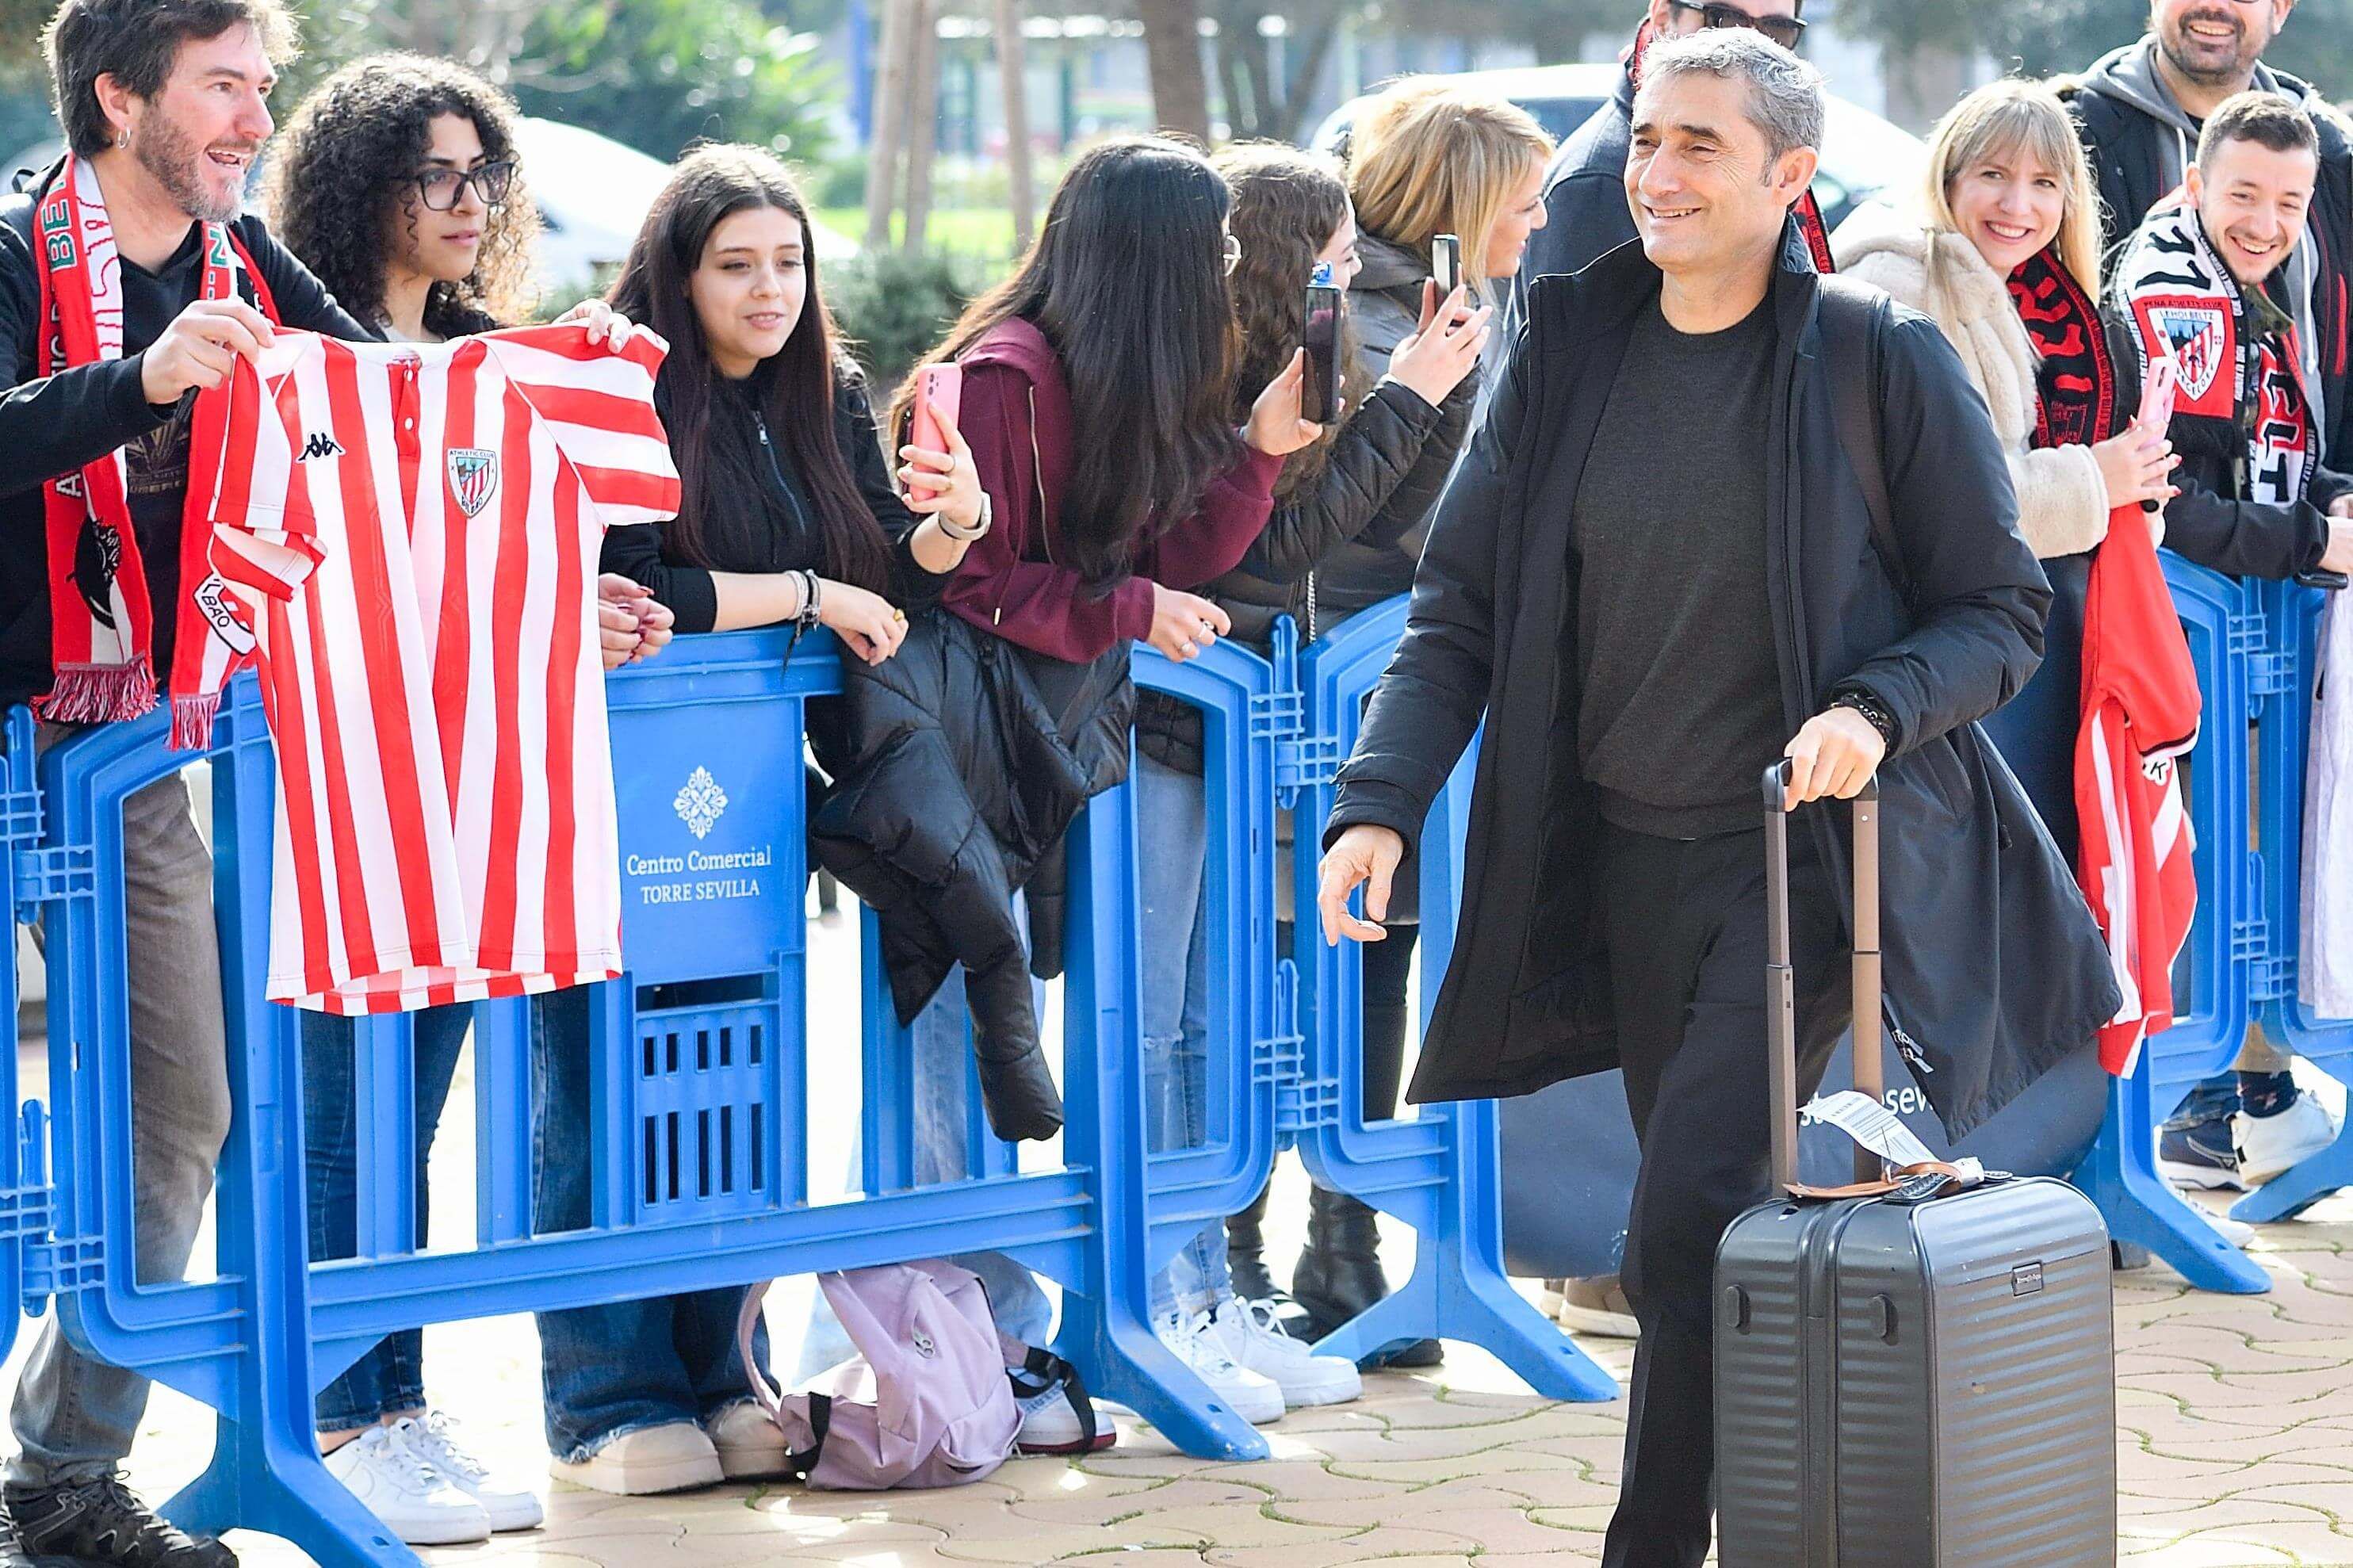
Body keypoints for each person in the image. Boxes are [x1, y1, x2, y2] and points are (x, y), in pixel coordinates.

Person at [1317, 33, 2119, 1566]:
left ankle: (1650, 1545)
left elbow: (1994, 605)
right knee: (1701, 1228)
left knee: (1681, 1218)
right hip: (1620, 858)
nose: (1656, 172)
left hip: (1801, 859)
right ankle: (1776, 1513)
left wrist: (1867, 708)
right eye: (1646, 143)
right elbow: (1458, 608)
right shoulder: (1560, 350)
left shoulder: (1875, 355)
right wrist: (1381, 800)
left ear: (1788, 175)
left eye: (1698, 145)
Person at [524, 143, 987, 1495]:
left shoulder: (824, 393)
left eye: (787, 261)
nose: (767, 288)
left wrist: (948, 529)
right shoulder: (622, 393)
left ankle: (726, 1367)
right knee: (600, 1079)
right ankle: (604, 1394)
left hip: (744, 802)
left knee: (731, 1075)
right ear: (678, 273)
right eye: (735, 264)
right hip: (613, 786)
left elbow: (875, 585)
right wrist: (803, 593)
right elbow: (638, 582)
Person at [262, 53, 676, 1544]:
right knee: (331, 1114)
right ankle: (337, 1413)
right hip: (325, 780)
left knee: (411, 1103)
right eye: (433, 173)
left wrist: (598, 611)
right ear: (358, 184)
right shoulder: (280, 355)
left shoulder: (509, 360)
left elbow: (567, 561)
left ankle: (393, 1406)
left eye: (482, 174)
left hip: (464, 797)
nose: (466, 202)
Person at [0, 3, 369, 1562]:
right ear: (119, 94)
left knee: (177, 1120)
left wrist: (561, 405)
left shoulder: (247, 262)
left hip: (125, 750)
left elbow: (388, 406)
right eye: (223, 85)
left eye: (262, 86)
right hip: (33, 719)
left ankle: (59, 1477)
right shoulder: (15, 253)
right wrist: (141, 380)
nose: (251, 116)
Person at [888, 135, 1322, 1425]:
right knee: (953, 1054)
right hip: (951, 767)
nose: (1233, 271)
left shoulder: (1102, 381)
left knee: (1000, 1047)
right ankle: (962, 1347)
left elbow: (1164, 558)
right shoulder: (1004, 380)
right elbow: (970, 585)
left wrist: (1255, 451)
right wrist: (1130, 606)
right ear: (1156, 261)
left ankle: (1020, 1342)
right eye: (1218, 248)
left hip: (1033, 760)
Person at [1127, 140, 1490, 1398]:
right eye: (1332, 252)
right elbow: (1283, 544)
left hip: (1305, 707)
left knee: (1333, 968)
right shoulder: (1210, 379)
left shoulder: (1316, 359)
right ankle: (1215, 1274)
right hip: (1209, 721)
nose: (1351, 267)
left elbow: (1387, 513)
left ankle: (1329, 1250)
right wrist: (1408, 398)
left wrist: (1435, 397)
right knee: (1193, 1009)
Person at [1207, 86, 1551, 1363]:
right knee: (1278, 964)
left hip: (1381, 687)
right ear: (1462, 196)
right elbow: (1331, 524)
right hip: (1310, 683)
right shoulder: (1350, 316)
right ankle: (1242, 1256)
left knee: (1372, 947)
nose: (1538, 213)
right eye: (1519, 193)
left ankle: (1343, 1253)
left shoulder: (1467, 307)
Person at [2107, 91, 2353, 1190]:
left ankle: (2245, 1100)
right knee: (2215, 864)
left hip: (2255, 606)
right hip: (2189, 625)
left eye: (2288, 202)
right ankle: (2203, 1108)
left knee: (2258, 854)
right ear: (2195, 180)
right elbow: (2179, 504)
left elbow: (2295, 434)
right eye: (2244, 194)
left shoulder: (2282, 266)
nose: (2265, 220)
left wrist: (2328, 514)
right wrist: (2317, 541)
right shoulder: (2177, 288)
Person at [1833, 78, 2177, 851]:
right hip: (1941, 652)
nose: (2016, 203)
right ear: (1947, 176)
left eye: (2043, 183)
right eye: (1993, 174)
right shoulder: (1898, 287)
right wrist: (2101, 479)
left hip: (2039, 643)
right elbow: (1942, 500)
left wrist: (2134, 484)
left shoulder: (2051, 299)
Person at [1521, 0, 1830, 287]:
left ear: (1791, 174)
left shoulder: (1770, 149)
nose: (1750, 48)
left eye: (1775, 32)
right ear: (1664, 19)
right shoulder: (1595, 183)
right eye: (1723, 21)